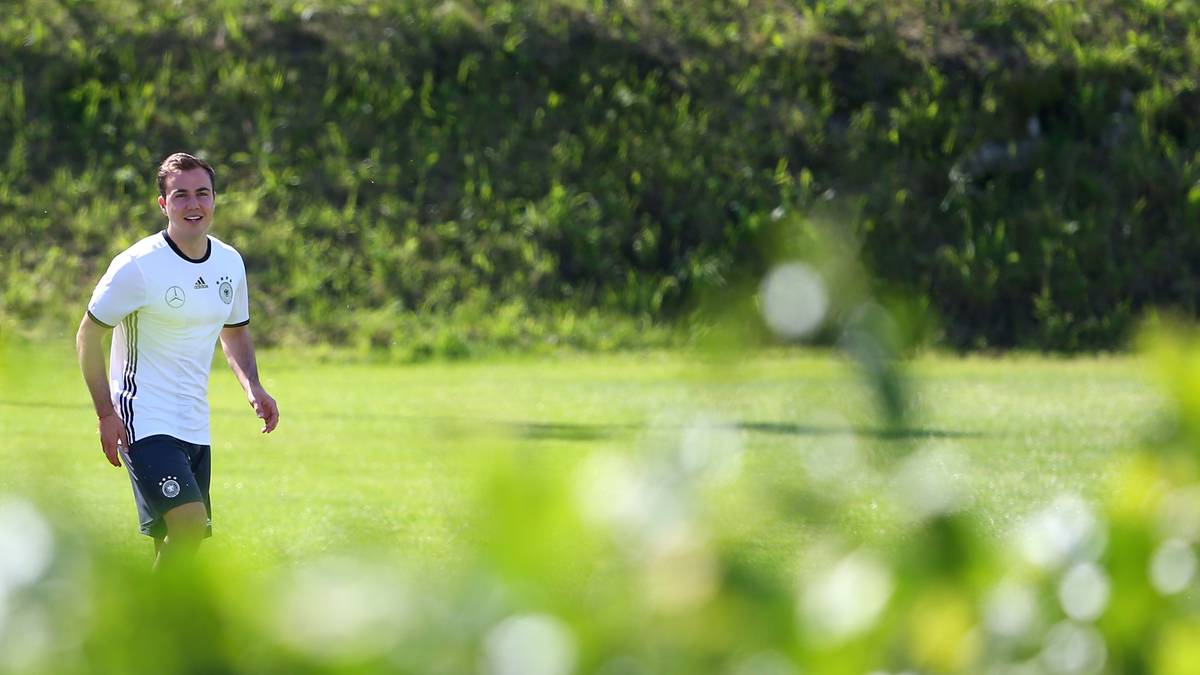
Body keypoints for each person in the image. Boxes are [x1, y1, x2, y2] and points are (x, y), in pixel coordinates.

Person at [76, 152, 279, 569]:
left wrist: (252, 386)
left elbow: (235, 330)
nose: (193, 204)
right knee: (188, 524)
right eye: (181, 195)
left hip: (194, 421)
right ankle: (138, 629)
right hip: (143, 419)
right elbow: (88, 336)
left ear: (214, 199)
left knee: (176, 541)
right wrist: (105, 413)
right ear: (163, 204)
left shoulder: (229, 262)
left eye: (202, 193)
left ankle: (157, 632)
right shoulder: (137, 266)